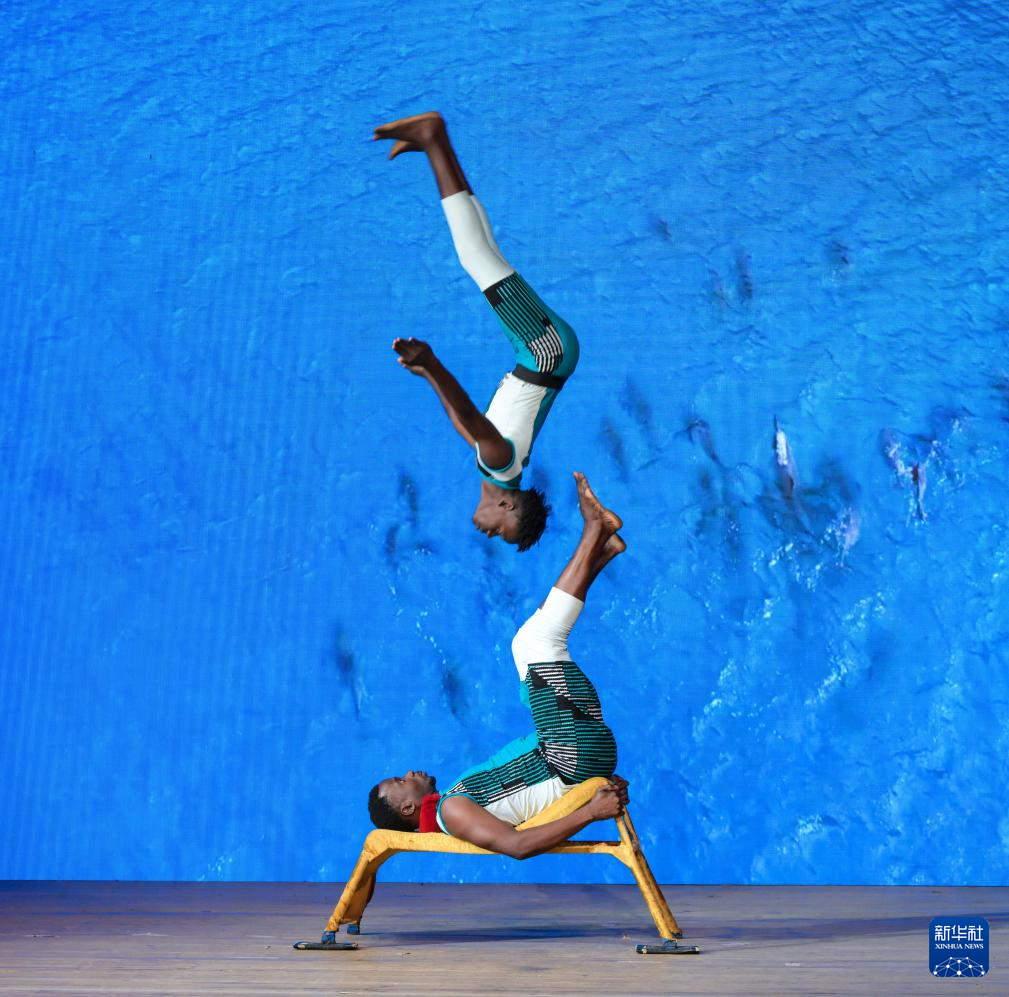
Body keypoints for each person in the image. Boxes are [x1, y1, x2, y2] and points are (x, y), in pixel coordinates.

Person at [368, 471, 629, 859]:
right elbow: (516, 846)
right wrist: (591, 812)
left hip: (572, 750)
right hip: (571, 754)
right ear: (407, 809)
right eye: (399, 781)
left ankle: (602, 549)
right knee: (532, 643)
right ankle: (595, 533)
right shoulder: (451, 811)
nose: (408, 773)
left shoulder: (454, 800)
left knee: (530, 648)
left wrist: (534, 694)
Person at [373, 111, 580, 551]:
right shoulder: (501, 463)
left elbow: (462, 426)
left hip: (545, 355)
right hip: (543, 351)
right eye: (503, 531)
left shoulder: (496, 467)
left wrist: (428, 376)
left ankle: (435, 146)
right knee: (476, 256)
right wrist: (433, 363)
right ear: (508, 506)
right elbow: (469, 414)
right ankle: (433, 138)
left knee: (484, 252)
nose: (491, 534)